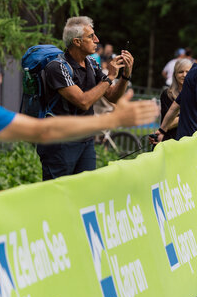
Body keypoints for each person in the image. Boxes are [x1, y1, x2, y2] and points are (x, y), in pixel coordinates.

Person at [0, 25, 158, 205]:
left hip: (83, 144)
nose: (96, 40)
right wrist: (114, 120)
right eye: (91, 36)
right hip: (61, 148)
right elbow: (42, 131)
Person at [37, 16, 136, 180]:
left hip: (86, 140)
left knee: (85, 192)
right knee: (57, 195)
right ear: (76, 42)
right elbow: (83, 102)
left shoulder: (91, 63)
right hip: (60, 142)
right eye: (91, 37)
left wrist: (125, 76)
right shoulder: (57, 67)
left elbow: (111, 96)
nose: (97, 40)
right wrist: (110, 76)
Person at [158, 59, 192, 141]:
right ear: (175, 74)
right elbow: (167, 124)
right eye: (180, 72)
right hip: (171, 140)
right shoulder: (168, 95)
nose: (184, 75)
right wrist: (191, 114)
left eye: (188, 72)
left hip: (190, 140)